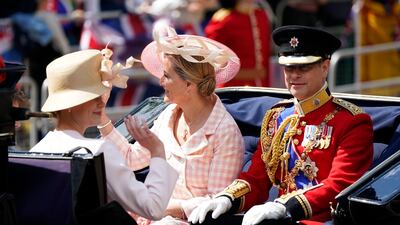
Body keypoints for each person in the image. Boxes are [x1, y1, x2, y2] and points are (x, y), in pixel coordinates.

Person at [188, 25, 374, 225]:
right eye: (289, 67)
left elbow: (340, 184)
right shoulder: (276, 117)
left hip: (319, 220)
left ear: (325, 67)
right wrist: (227, 198)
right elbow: (257, 177)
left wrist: (286, 206)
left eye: (304, 67)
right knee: (208, 220)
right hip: (277, 217)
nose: (294, 75)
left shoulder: (352, 121)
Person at [97, 25, 245, 224]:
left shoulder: (224, 132)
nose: (160, 81)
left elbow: (216, 202)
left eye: (166, 75)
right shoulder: (168, 116)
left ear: (188, 85)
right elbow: (132, 159)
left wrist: (163, 209)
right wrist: (100, 115)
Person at [29, 48, 179, 220]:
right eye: (93, 97)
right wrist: (158, 151)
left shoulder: (38, 148)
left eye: (100, 95)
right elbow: (153, 208)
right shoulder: (98, 150)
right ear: (69, 104)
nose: (102, 103)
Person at [204, 0, 271, 87]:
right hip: (234, 86)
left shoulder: (261, 15)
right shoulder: (224, 20)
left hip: (262, 85)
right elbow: (212, 58)